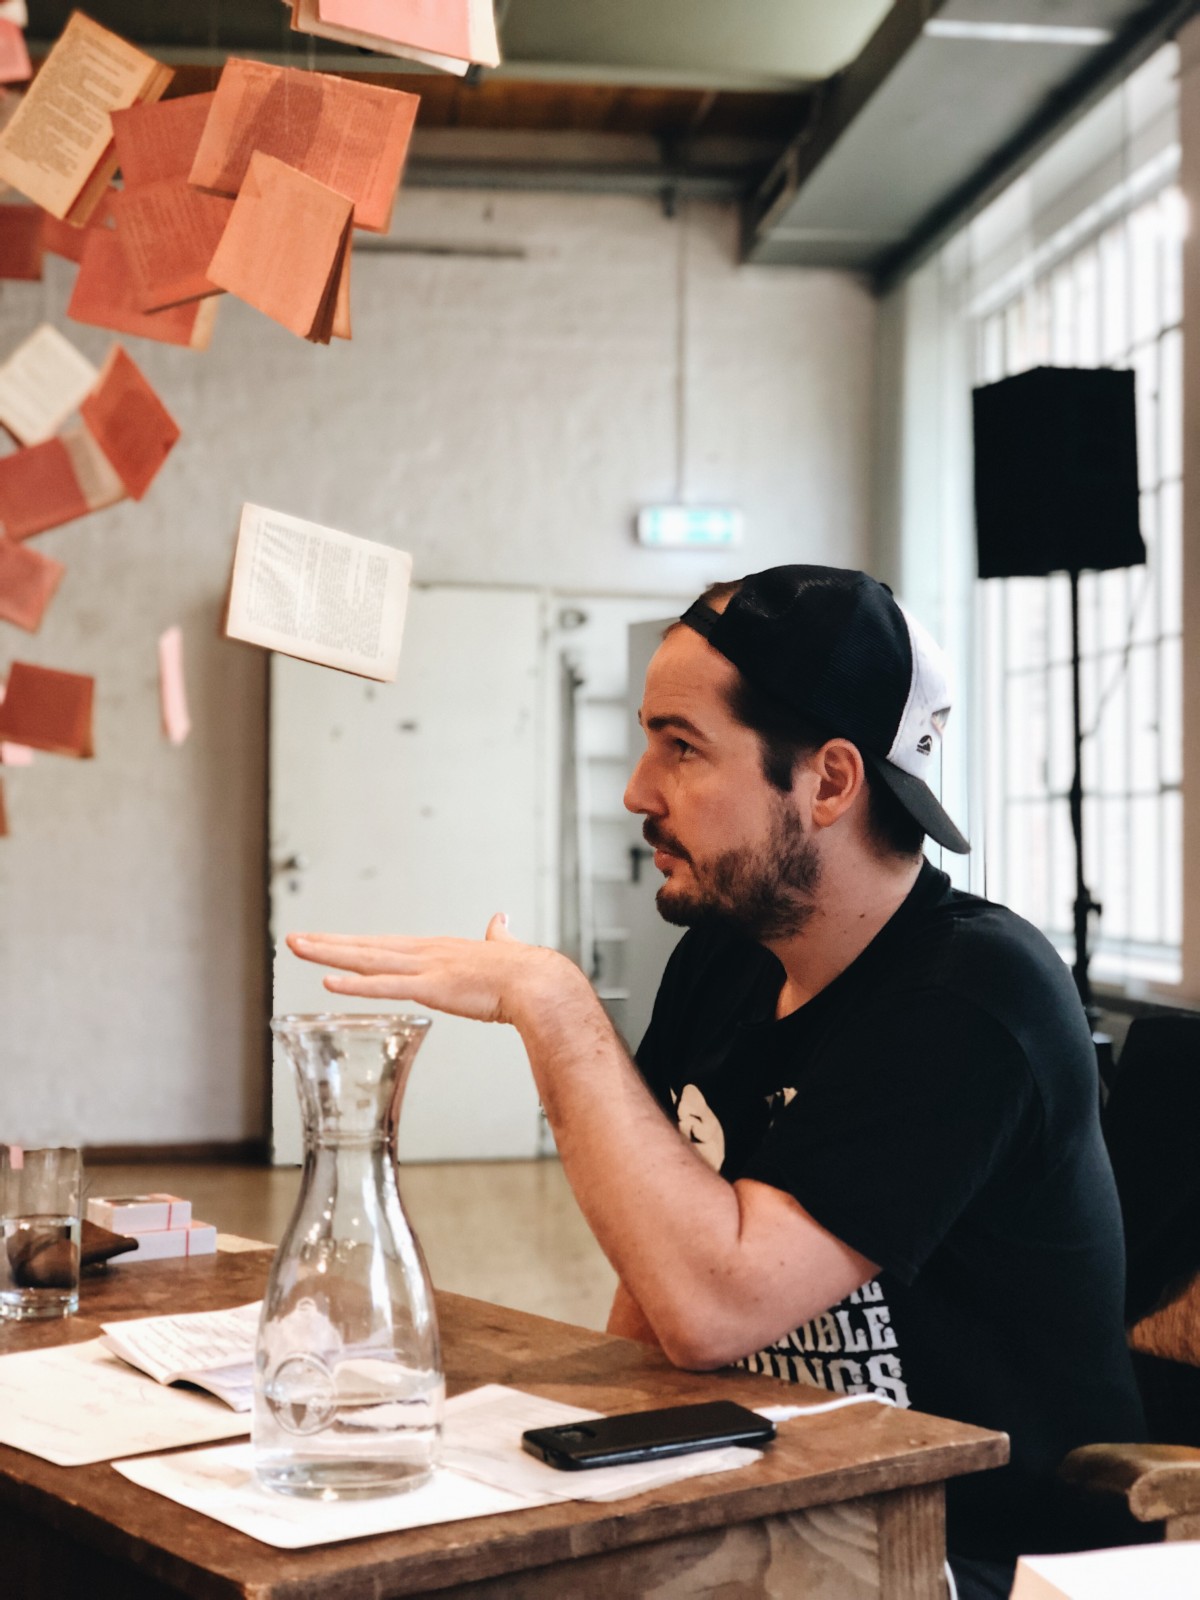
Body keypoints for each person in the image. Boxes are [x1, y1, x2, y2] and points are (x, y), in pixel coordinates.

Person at [289, 565, 1144, 1599]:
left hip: (968, 1554)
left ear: (829, 783)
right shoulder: (727, 960)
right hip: (777, 1500)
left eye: (682, 747)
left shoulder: (971, 998)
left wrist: (557, 1012)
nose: (638, 789)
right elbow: (656, 1294)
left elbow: (712, 1305)